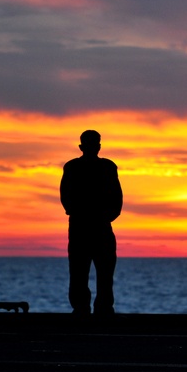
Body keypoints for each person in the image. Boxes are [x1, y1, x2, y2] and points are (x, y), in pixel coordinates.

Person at [60, 130, 123, 314]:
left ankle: (99, 308)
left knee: (101, 271)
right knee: (81, 271)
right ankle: (84, 308)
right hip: (86, 226)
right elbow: (66, 196)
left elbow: (116, 197)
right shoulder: (72, 167)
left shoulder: (107, 167)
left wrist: (106, 216)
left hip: (94, 225)